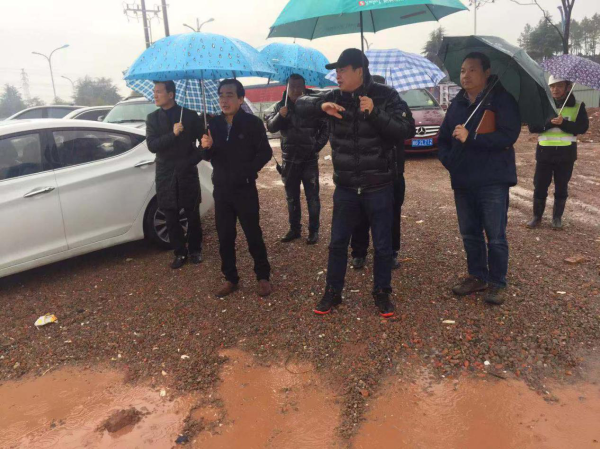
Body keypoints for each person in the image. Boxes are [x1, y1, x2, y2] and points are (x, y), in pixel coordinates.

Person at [296, 49, 415, 317]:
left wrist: (375, 112)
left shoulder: (386, 96)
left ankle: (382, 292)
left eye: (342, 70)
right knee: (338, 243)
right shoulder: (334, 96)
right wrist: (321, 106)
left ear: (359, 71)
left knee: (383, 245)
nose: (337, 75)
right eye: (336, 71)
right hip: (346, 187)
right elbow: (300, 104)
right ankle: (333, 291)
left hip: (379, 185)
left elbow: (406, 129)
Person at [438, 52, 521, 306]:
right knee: (470, 233)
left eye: (473, 70)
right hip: (463, 180)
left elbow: (508, 136)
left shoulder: (501, 100)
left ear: (486, 72)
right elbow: (443, 139)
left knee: (495, 235)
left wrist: (472, 137)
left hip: (492, 180)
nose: (466, 75)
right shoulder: (458, 104)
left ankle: (497, 282)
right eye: (463, 70)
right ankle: (477, 276)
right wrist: (450, 162)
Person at [200, 79, 273, 298]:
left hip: (245, 188)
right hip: (222, 189)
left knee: (253, 233)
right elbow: (206, 156)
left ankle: (263, 276)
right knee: (225, 236)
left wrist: (248, 171)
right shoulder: (213, 124)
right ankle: (230, 278)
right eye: (221, 95)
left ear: (241, 99)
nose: (224, 100)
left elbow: (265, 152)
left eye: (230, 95)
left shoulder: (252, 123)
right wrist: (206, 147)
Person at [349, 74, 408, 270]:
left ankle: (390, 252)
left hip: (393, 173)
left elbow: (406, 130)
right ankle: (359, 252)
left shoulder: (398, 105)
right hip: (365, 172)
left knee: (392, 216)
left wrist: (380, 115)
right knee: (359, 215)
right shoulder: (358, 105)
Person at [146, 81, 204, 269]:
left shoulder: (189, 115)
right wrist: (173, 134)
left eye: (159, 92)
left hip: (187, 171)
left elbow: (203, 142)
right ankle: (179, 252)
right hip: (165, 173)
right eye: (154, 91)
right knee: (170, 216)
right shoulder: (152, 118)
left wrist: (191, 161)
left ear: (171, 94)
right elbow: (152, 146)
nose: (155, 95)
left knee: (192, 213)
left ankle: (195, 249)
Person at [265, 74, 329, 245]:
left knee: (312, 197)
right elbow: (271, 127)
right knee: (291, 197)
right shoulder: (280, 106)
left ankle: (314, 231)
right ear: (286, 87)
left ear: (304, 87)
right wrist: (280, 116)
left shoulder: (313, 105)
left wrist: (315, 146)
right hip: (289, 160)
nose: (295, 90)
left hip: (309, 160)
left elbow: (326, 127)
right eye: (291, 86)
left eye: (298, 86)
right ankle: (294, 229)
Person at [526, 75, 589, 230]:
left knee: (561, 187)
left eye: (559, 86)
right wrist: (549, 123)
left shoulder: (578, 106)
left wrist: (563, 123)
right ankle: (537, 217)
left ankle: (557, 218)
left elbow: (582, 128)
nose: (555, 89)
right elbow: (533, 127)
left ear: (568, 87)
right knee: (540, 186)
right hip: (544, 153)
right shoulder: (543, 105)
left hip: (566, 154)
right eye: (552, 86)